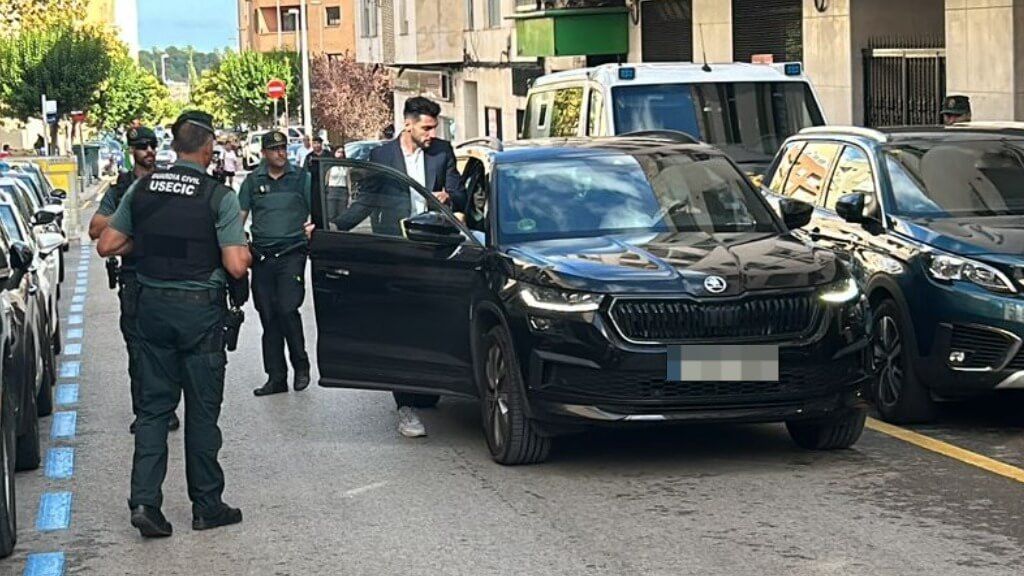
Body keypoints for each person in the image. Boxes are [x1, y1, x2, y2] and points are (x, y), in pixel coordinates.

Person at [97, 111, 251, 538]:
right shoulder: (218, 196)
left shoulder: (144, 188)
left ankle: (145, 502)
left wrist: (145, 241)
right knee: (201, 412)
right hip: (198, 314)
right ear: (207, 148)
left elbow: (107, 244)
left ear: (173, 147)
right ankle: (207, 506)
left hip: (150, 309)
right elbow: (236, 266)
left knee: (152, 411)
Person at [333, 96, 466, 437]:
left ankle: (428, 388)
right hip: (396, 250)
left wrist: (448, 197)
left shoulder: (442, 152)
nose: (431, 133)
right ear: (408, 124)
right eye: (426, 127)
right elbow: (366, 200)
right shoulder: (382, 157)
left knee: (432, 319)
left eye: (435, 127)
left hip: (435, 250)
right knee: (402, 325)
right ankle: (405, 405)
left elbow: (460, 193)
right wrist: (334, 229)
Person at [88, 126, 181, 435]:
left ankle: (166, 408)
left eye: (152, 144)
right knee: (138, 348)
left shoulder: (168, 182)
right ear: (132, 151)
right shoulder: (121, 188)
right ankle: (143, 410)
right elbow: (95, 228)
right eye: (142, 146)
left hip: (168, 275)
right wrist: (133, 217)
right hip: (133, 277)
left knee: (168, 346)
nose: (149, 150)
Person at [239, 130, 313, 397]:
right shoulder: (252, 181)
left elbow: (318, 212)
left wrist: (314, 230)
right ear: (264, 153)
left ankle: (301, 366)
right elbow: (240, 216)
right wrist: (237, 243)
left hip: (291, 253)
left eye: (283, 148)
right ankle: (276, 377)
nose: (280, 153)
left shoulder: (301, 179)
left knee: (287, 308)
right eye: (274, 149)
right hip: (262, 257)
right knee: (268, 316)